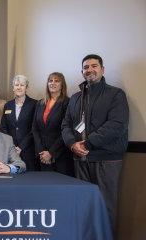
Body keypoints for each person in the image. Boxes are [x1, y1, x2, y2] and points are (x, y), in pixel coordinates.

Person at [62, 54, 129, 230]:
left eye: (94, 66)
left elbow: (116, 125)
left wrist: (87, 144)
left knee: (105, 206)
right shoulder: (76, 98)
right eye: (86, 67)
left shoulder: (116, 94)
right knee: (83, 206)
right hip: (80, 160)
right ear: (82, 71)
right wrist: (72, 144)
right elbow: (66, 124)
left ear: (102, 69)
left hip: (105, 160)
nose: (89, 70)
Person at [32, 72, 74, 176]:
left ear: (62, 85)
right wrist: (41, 151)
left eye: (57, 81)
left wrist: (51, 153)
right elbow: (35, 128)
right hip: (42, 155)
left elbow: (66, 130)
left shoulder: (68, 103)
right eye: (50, 81)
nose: (53, 83)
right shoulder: (40, 103)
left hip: (60, 154)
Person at [0, 75, 38, 171]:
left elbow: (35, 128)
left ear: (26, 88)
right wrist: (12, 146)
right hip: (10, 150)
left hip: (28, 149)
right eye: (16, 85)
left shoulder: (35, 104)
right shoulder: (8, 105)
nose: (19, 87)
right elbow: (3, 127)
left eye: (22, 85)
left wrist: (21, 147)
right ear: (13, 88)